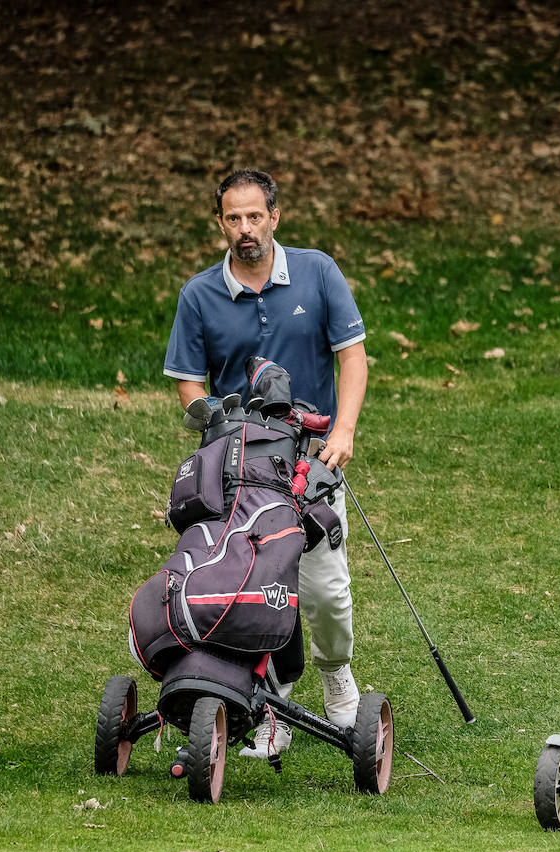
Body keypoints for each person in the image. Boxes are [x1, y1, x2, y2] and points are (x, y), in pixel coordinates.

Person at [163, 169, 369, 752]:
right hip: (240, 465)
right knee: (247, 581)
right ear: (221, 224)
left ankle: (336, 679)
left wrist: (345, 430)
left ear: (275, 218)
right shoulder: (199, 295)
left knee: (324, 587)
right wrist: (217, 428)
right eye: (234, 218)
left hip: (311, 459)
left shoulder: (317, 271)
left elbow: (352, 357)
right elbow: (188, 382)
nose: (245, 228)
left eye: (256, 217)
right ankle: (267, 706)